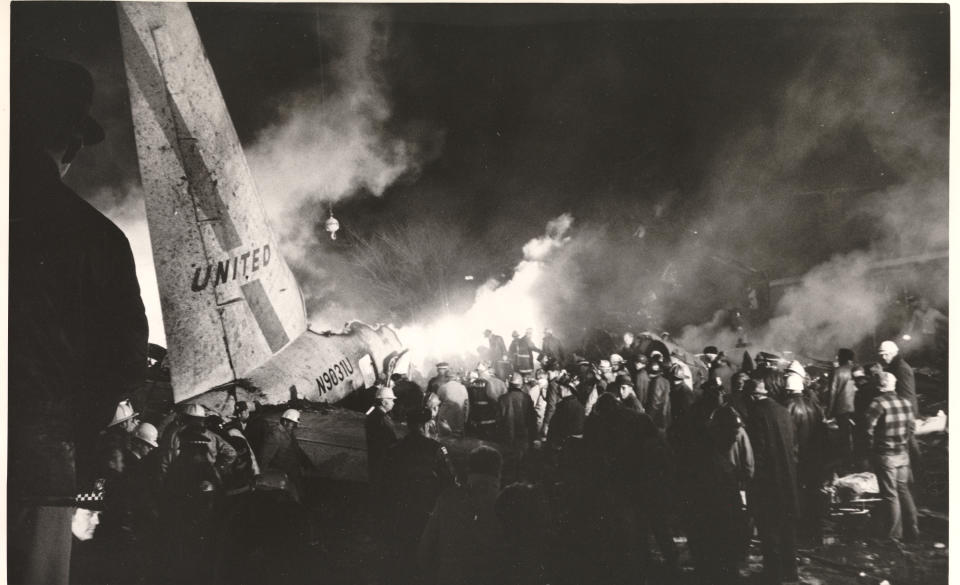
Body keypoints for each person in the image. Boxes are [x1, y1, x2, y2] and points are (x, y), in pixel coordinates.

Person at [9, 55, 149, 585]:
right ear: (69, 144)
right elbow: (123, 363)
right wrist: (72, 436)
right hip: (36, 469)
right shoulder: (99, 240)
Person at [387, 408, 459, 584]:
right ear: (427, 424)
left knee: (403, 549)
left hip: (401, 507)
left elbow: (387, 480)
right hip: (428, 507)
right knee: (425, 549)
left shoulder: (395, 448)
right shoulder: (437, 449)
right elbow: (450, 479)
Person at [418, 446, 507, 585]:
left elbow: (426, 547)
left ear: (469, 470)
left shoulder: (447, 498)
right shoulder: (506, 503)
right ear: (499, 473)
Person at [743, 378, 800, 584]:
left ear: (751, 396)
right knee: (787, 528)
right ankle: (791, 573)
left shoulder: (756, 414)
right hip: (788, 478)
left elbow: (758, 453)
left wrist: (751, 482)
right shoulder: (784, 411)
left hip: (768, 482)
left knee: (770, 530)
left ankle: (773, 575)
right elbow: (794, 446)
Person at [864, 372, 919, 543]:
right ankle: (913, 529)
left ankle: (894, 536)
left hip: (885, 455)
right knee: (903, 490)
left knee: (890, 494)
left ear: (880, 385)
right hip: (902, 454)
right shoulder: (906, 403)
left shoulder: (878, 403)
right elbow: (911, 429)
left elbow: (867, 430)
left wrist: (870, 450)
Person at [784, 372, 827, 544]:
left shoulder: (788, 406)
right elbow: (823, 432)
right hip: (814, 456)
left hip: (798, 458)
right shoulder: (814, 405)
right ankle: (816, 532)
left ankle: (802, 533)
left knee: (799, 495)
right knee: (813, 493)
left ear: (787, 390)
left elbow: (788, 436)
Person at [878, 340, 922, 478]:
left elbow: (907, 394)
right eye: (882, 354)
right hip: (904, 411)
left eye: (885, 354)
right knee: (906, 444)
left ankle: (920, 476)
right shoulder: (896, 366)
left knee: (909, 444)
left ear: (892, 353)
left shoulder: (901, 368)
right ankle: (912, 475)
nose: (883, 357)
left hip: (904, 412)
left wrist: (905, 414)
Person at [259, 409, 311, 502]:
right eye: (293, 424)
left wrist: (307, 464)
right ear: (285, 421)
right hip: (283, 470)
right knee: (293, 495)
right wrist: (261, 476)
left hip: (293, 468)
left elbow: (296, 449)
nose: (295, 426)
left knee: (301, 489)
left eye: (295, 424)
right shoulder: (275, 434)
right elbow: (265, 456)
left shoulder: (288, 432)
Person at [825, 349, 857, 463]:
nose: (837, 358)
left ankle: (846, 461)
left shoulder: (837, 371)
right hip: (856, 408)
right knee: (855, 435)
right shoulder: (856, 370)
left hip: (842, 408)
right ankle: (855, 460)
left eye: (838, 356)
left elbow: (832, 392)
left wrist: (828, 413)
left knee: (844, 437)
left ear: (842, 357)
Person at [437, 373, 470, 438]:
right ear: (455, 378)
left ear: (447, 378)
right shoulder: (463, 387)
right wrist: (465, 418)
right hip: (460, 416)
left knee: (446, 438)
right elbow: (467, 404)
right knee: (459, 438)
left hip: (446, 417)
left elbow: (438, 400)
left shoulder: (443, 387)